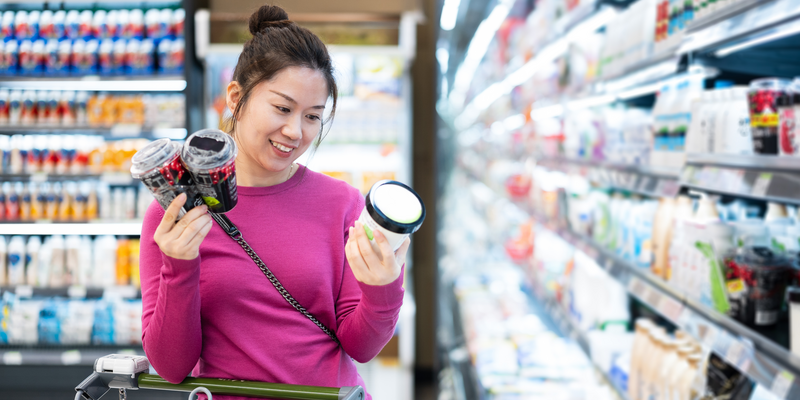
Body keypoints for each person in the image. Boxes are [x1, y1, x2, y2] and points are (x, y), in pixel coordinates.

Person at [138, 5, 410, 399]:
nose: (295, 131)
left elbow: (361, 347)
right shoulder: (175, 211)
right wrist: (179, 266)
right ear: (236, 97)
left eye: (313, 116)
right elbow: (171, 365)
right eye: (282, 108)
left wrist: (383, 289)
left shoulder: (342, 203)